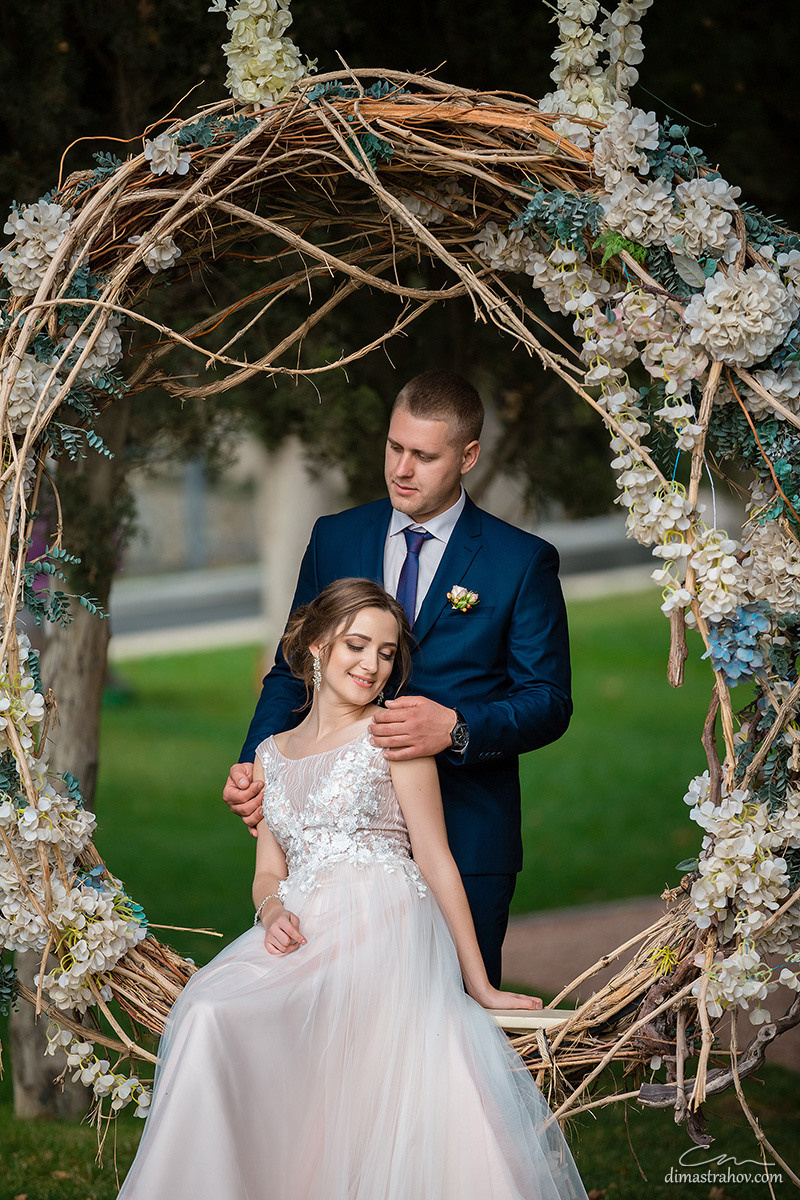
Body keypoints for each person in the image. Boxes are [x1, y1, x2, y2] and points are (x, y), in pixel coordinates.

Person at [118, 579, 588, 1200]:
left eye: (387, 653)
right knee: (206, 1013)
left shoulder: (391, 736)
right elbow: (268, 869)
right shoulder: (271, 754)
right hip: (303, 926)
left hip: (381, 925)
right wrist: (272, 909)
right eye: (356, 646)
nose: (372, 665)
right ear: (316, 646)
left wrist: (477, 984)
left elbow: (436, 859)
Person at [224, 371, 571, 987]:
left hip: (465, 836)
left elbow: (548, 700)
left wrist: (457, 728)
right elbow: (291, 666)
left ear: (467, 456)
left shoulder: (520, 562)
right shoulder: (335, 537)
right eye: (394, 447)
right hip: (336, 844)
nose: (402, 469)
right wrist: (257, 764)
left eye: (424, 456)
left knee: (452, 1019)